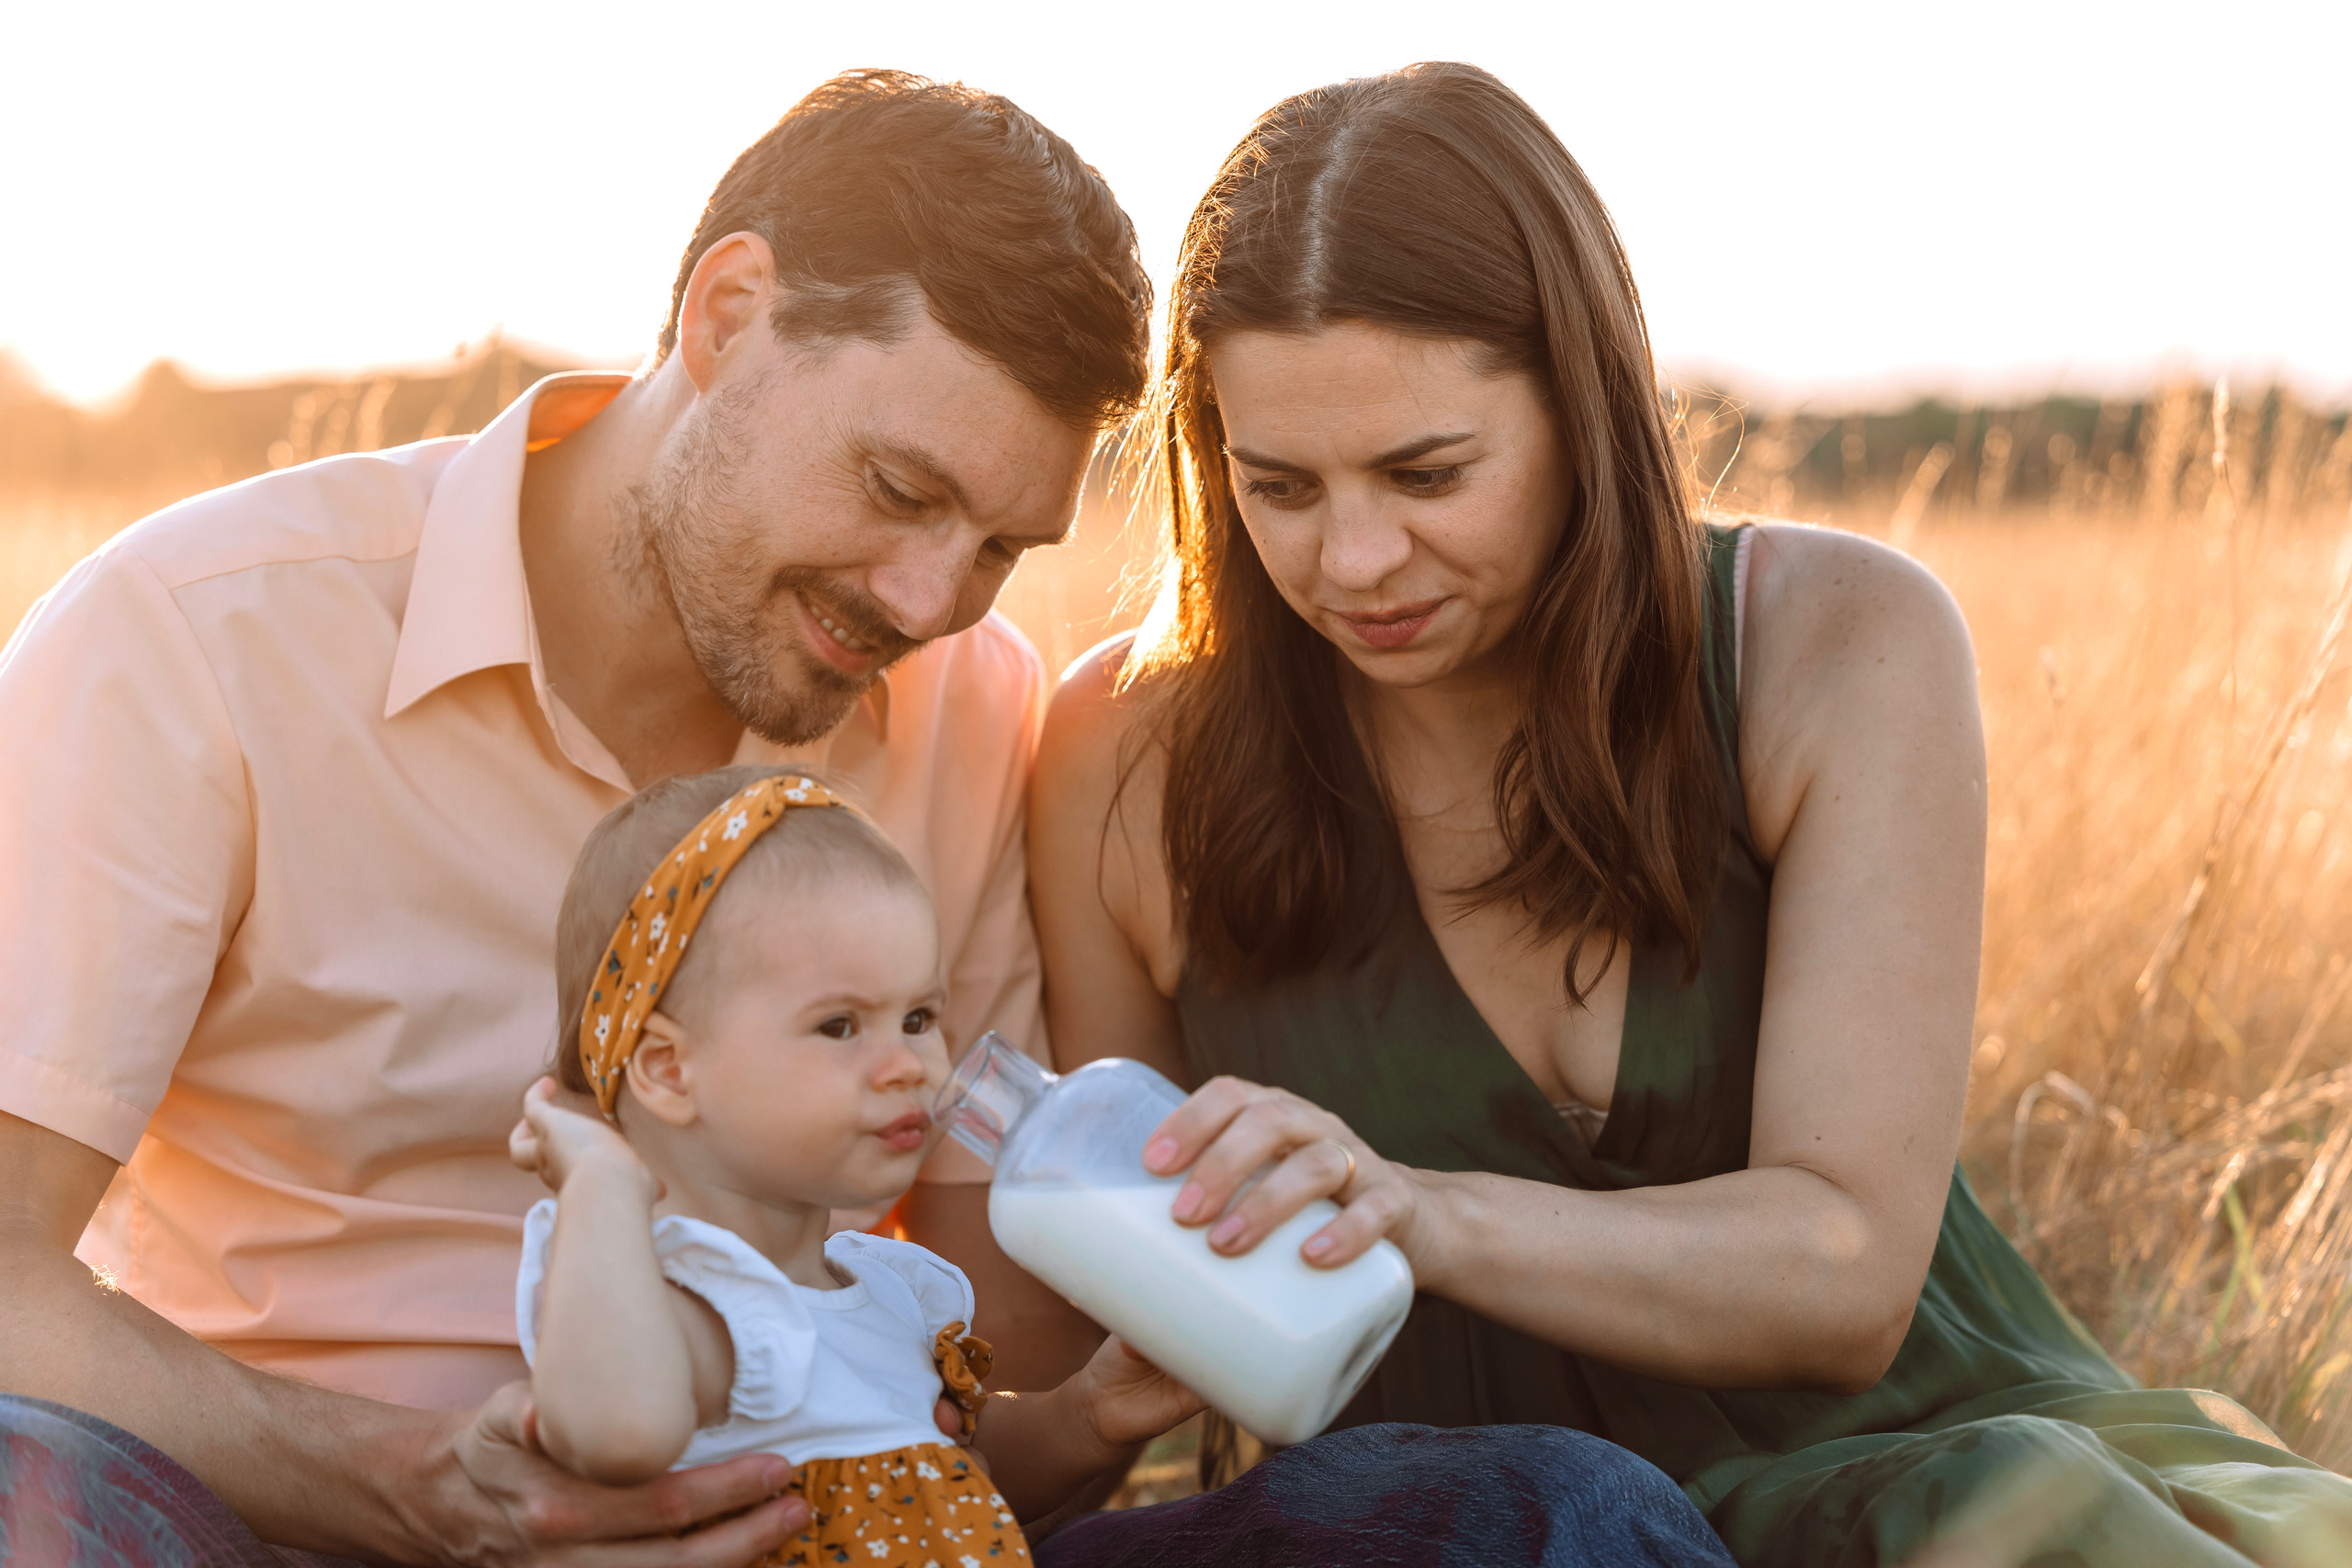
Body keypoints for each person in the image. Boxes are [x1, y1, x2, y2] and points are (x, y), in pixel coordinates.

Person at [1028, 62, 2352, 1568]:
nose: (1356, 556)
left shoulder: (1835, 643)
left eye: (1427, 471)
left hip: (1950, 1479)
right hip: (1501, 1530)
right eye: (1279, 486)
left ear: (1582, 410)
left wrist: (1422, 1212)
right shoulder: (1126, 754)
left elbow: (1843, 1278)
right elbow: (1096, 1284)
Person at [0, 70, 1148, 1564]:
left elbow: (996, 1338)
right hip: (273, 1526)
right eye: (897, 486)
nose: (931, 601)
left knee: (1503, 1498)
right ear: (728, 313)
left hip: (808, 1532)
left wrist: (1123, 1348)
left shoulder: (976, 702)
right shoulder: (196, 637)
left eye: (1000, 547)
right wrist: (408, 1486)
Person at [510, 767, 1199, 1566]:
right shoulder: (691, 1299)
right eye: (840, 1025)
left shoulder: (892, 1289)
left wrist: (1086, 1414)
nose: (908, 1063)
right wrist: (601, 1181)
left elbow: (953, 1487)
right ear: (667, 1069)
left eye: (918, 1017)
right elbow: (617, 1429)